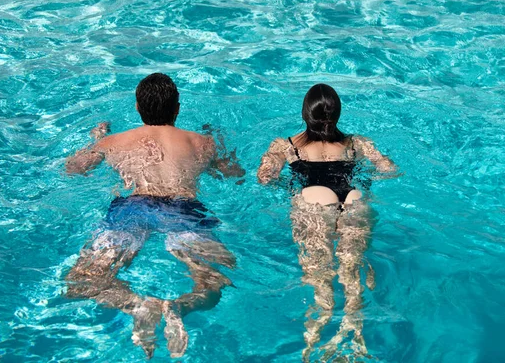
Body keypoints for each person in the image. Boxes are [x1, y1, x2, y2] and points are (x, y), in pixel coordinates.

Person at [64, 73, 244, 359]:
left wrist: (96, 139)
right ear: (178, 108)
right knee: (213, 282)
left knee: (83, 281)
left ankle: (136, 305)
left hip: (132, 207)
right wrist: (219, 141)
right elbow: (234, 174)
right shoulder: (202, 141)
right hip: (183, 210)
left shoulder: (113, 142)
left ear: (137, 107)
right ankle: (180, 307)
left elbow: (74, 168)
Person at [257, 83, 399, 361]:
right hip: (354, 200)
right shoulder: (357, 143)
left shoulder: (285, 146)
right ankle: (355, 329)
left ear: (304, 114)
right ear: (338, 114)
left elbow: (265, 178)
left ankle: (316, 336)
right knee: (351, 270)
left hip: (313, 201)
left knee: (320, 277)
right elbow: (390, 170)